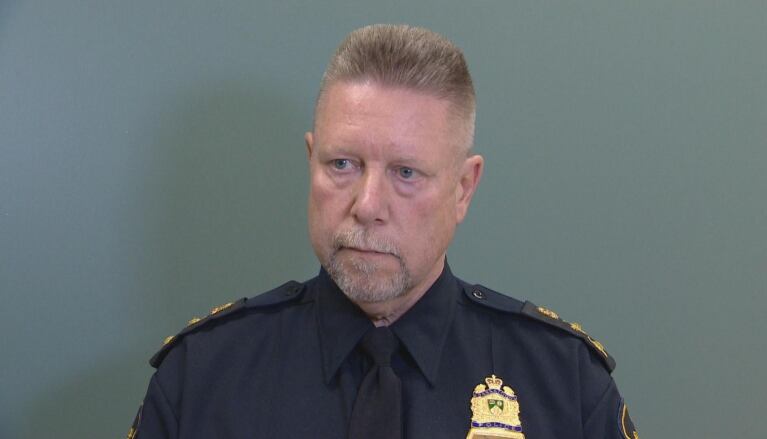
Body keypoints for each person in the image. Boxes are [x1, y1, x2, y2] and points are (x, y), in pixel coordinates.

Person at [128, 24, 639, 439]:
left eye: (406, 173)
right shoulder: (200, 378)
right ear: (311, 162)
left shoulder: (566, 386)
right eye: (343, 164)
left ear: (463, 188)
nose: (368, 206)